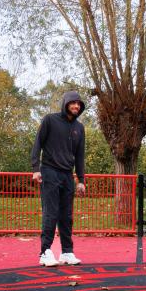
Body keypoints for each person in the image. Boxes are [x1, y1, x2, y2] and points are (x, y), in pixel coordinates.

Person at [31, 91, 87, 267]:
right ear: (66, 103)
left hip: (67, 175)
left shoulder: (79, 128)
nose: (76, 106)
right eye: (73, 103)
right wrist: (35, 168)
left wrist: (81, 180)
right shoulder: (50, 120)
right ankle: (45, 252)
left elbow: (79, 156)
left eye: (79, 104)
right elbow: (38, 143)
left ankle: (67, 252)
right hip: (49, 171)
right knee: (51, 212)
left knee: (66, 215)